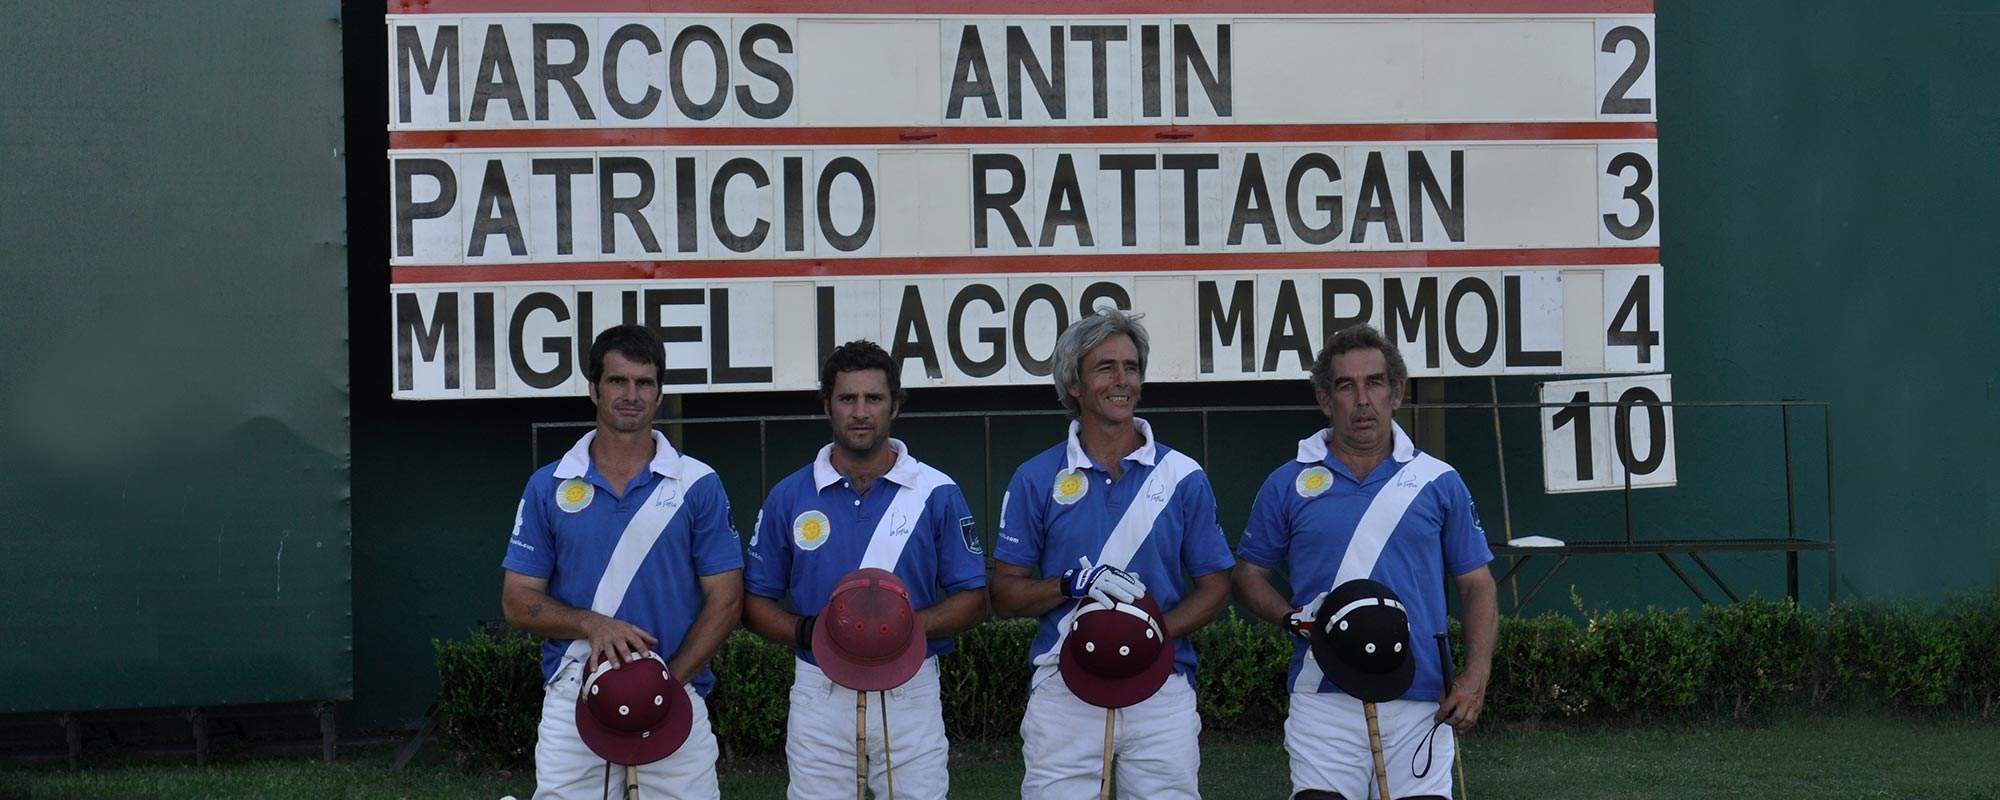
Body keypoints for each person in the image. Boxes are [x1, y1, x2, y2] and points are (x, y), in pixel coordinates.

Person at [1230, 324, 1499, 800]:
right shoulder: (1287, 482)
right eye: (1345, 385)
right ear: (1323, 398)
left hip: (1420, 696)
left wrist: (1475, 677)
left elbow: (1477, 584)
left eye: (1374, 382)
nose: (1361, 399)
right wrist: (1291, 620)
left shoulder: (1439, 480)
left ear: (1396, 392)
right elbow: (1249, 575)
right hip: (1322, 692)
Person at [990, 307, 1235, 799]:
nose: (1122, 380)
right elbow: (1004, 593)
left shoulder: (1182, 477)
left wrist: (1147, 633)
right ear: (1073, 384)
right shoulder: (1035, 477)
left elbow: (1216, 587)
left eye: (1131, 367)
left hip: (1161, 683)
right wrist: (1066, 585)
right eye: (1105, 367)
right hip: (1064, 682)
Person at [500, 324, 744, 800]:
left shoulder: (698, 484)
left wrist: (664, 685)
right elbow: (516, 601)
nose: (631, 394)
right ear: (594, 389)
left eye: (644, 383)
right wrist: (594, 624)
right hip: (576, 691)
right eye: (618, 381)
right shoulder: (548, 485)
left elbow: (728, 601)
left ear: (658, 394)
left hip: (677, 691)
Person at [743, 340, 989, 800]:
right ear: (826, 406)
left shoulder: (937, 492)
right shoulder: (789, 496)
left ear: (894, 405)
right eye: (847, 398)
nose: (860, 412)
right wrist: (811, 632)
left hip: (910, 686)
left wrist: (897, 632)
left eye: (873, 398)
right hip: (820, 687)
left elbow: (974, 601)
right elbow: (754, 602)